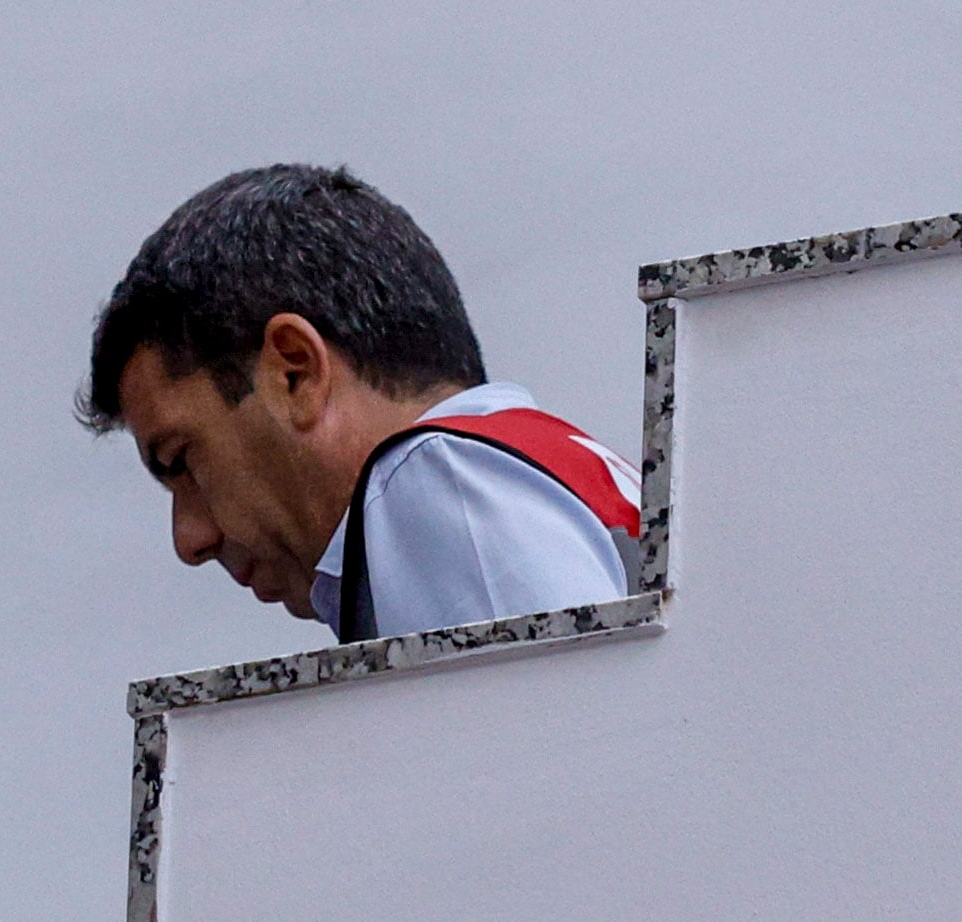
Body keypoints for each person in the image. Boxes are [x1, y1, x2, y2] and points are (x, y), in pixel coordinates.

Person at [78, 163, 643, 643]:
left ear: (294, 372)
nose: (189, 540)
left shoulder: (436, 480)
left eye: (183, 461)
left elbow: (557, 758)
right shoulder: (535, 467)